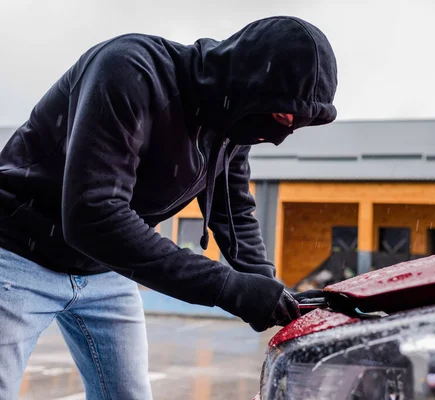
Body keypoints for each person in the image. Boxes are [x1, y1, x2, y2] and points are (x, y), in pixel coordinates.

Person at [0, 15, 337, 399]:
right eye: (281, 114)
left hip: (104, 272)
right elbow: (93, 215)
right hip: (15, 253)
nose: (281, 135)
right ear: (248, 78)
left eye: (298, 124)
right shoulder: (129, 71)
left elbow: (234, 211)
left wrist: (266, 287)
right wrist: (229, 287)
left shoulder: (233, 123)